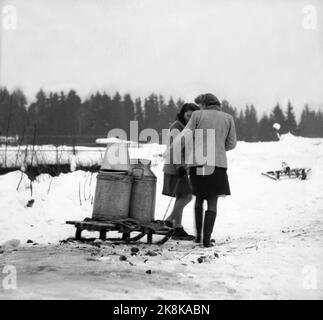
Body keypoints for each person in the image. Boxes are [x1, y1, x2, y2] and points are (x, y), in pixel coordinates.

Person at [171, 93, 237, 247]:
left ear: (204, 104)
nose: (199, 107)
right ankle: (207, 240)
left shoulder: (197, 115)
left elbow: (185, 136)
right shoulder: (228, 118)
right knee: (212, 201)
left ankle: (198, 237)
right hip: (217, 164)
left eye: (200, 105)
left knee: (199, 198)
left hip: (197, 163)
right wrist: (218, 149)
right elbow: (232, 144)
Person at [162, 103, 200, 240]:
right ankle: (170, 220)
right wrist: (180, 166)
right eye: (188, 115)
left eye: (192, 116)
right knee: (188, 196)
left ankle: (177, 228)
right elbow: (175, 149)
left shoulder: (186, 127)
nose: (190, 118)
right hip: (176, 168)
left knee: (180, 197)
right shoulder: (177, 127)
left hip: (180, 167)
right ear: (183, 114)